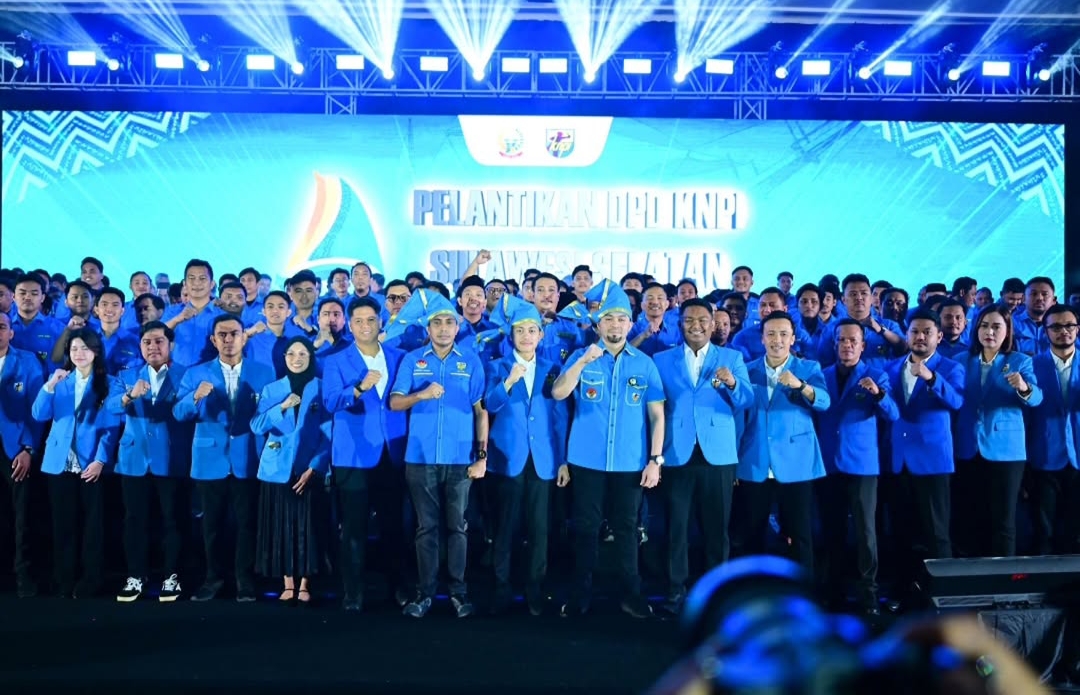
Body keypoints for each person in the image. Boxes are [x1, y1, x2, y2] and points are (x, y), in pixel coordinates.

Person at [552, 281, 664, 619]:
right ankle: (580, 595)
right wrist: (582, 362)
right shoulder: (582, 356)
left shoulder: (644, 363)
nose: (615, 325)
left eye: (621, 319)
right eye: (608, 319)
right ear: (598, 324)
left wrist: (655, 460)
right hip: (587, 460)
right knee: (585, 529)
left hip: (630, 462)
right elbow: (558, 393)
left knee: (627, 530)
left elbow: (657, 415)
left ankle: (631, 595)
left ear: (631, 325)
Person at [389, 291, 488, 619]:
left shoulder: (470, 360)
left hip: (460, 458)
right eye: (437, 323)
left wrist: (482, 455)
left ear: (458, 326)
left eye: (449, 322)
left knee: (458, 527)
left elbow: (481, 411)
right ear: (428, 328)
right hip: (420, 457)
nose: (443, 328)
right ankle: (425, 593)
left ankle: (459, 592)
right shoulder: (412, 359)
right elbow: (395, 402)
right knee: (426, 528)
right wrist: (421, 395)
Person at [652, 298, 752, 614]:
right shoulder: (661, 359)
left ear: (713, 323)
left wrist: (733, 383)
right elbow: (654, 408)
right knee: (676, 528)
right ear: (680, 323)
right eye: (689, 320)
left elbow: (747, 400)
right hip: (675, 453)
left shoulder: (732, 358)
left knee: (716, 530)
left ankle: (716, 595)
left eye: (702, 320)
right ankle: (675, 591)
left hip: (718, 455)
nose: (696, 326)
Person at [174, 314, 275, 602]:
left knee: (247, 524)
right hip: (210, 459)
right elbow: (179, 413)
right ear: (213, 340)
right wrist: (195, 397)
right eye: (222, 334)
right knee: (211, 526)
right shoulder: (196, 373)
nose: (229, 339)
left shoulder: (263, 372)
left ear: (244, 337)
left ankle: (245, 580)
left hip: (249, 458)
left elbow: (271, 414)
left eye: (234, 334)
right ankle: (213, 579)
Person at [482, 298, 569, 616]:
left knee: (539, 529)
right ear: (511, 335)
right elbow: (490, 405)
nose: (527, 336)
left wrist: (562, 459)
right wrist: (509, 381)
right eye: (520, 331)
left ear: (541, 335)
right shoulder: (497, 366)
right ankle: (501, 588)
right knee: (505, 527)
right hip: (507, 457)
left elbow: (560, 417)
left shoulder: (552, 369)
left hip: (544, 459)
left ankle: (535, 589)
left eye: (532, 330)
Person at [322, 297, 408, 611]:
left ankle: (398, 588)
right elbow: (330, 402)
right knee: (354, 528)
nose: (365, 326)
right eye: (358, 321)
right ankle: (353, 593)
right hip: (354, 455)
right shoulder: (335, 360)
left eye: (371, 319)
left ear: (380, 321)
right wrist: (357, 390)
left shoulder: (399, 357)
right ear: (349, 324)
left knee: (393, 526)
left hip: (393, 450)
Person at [737, 311, 830, 575]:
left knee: (800, 534)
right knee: (752, 533)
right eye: (771, 334)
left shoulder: (808, 368)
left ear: (792, 338)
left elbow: (824, 402)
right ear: (762, 338)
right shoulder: (747, 370)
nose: (777, 339)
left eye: (783, 334)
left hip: (796, 461)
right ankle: (754, 589)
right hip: (755, 460)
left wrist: (801, 386)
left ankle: (803, 590)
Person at [818, 319, 899, 615]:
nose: (847, 345)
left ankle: (869, 596)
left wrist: (878, 394)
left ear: (863, 345)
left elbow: (893, 414)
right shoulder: (821, 375)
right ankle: (833, 593)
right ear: (834, 343)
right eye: (842, 340)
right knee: (832, 531)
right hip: (828, 463)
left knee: (866, 533)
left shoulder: (877, 374)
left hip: (862, 465)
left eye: (853, 340)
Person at [32, 328, 120, 598]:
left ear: (95, 351)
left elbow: (111, 428)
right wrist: (49, 386)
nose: (79, 354)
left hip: (90, 462)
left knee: (93, 525)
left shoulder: (110, 383)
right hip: (59, 461)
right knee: (63, 524)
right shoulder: (60, 380)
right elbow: (38, 414)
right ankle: (64, 579)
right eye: (74, 349)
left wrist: (100, 460)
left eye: (84, 348)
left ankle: (91, 579)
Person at [107, 321, 190, 602]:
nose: (153, 347)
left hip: (171, 457)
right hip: (134, 458)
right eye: (147, 342)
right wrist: (129, 396)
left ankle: (171, 576)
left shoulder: (185, 375)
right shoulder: (127, 375)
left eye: (159, 341)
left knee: (172, 519)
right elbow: (109, 407)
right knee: (134, 520)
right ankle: (136, 576)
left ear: (170, 345)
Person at [956, 304, 1041, 557]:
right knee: (971, 517)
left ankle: (1004, 577)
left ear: (1007, 331)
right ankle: (974, 576)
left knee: (1003, 520)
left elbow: (1037, 398)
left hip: (1006, 451)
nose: (989, 332)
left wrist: (1023, 387)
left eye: (996, 326)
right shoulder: (961, 360)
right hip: (968, 446)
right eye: (984, 326)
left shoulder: (1020, 361)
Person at [251, 337, 331, 605]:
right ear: (284, 358)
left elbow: (329, 433)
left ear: (311, 357)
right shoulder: (273, 389)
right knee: (281, 526)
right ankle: (287, 583)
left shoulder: (321, 387)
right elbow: (257, 426)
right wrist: (281, 407)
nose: (297, 359)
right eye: (291, 354)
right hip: (277, 468)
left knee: (307, 527)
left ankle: (305, 584)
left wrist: (315, 467)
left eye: (303, 354)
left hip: (308, 467)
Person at [1028, 304, 1080, 554]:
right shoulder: (1032, 365)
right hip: (1045, 453)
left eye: (1069, 325)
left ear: (1077, 329)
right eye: (1056, 327)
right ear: (1045, 331)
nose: (1064, 331)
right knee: (1043, 530)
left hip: (1078, 453)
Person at [0, 312, 45, 597]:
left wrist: (28, 448)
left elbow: (36, 409)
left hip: (15, 449)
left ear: (11, 332)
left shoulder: (27, 361)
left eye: (1, 326)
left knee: (22, 517)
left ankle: (23, 577)